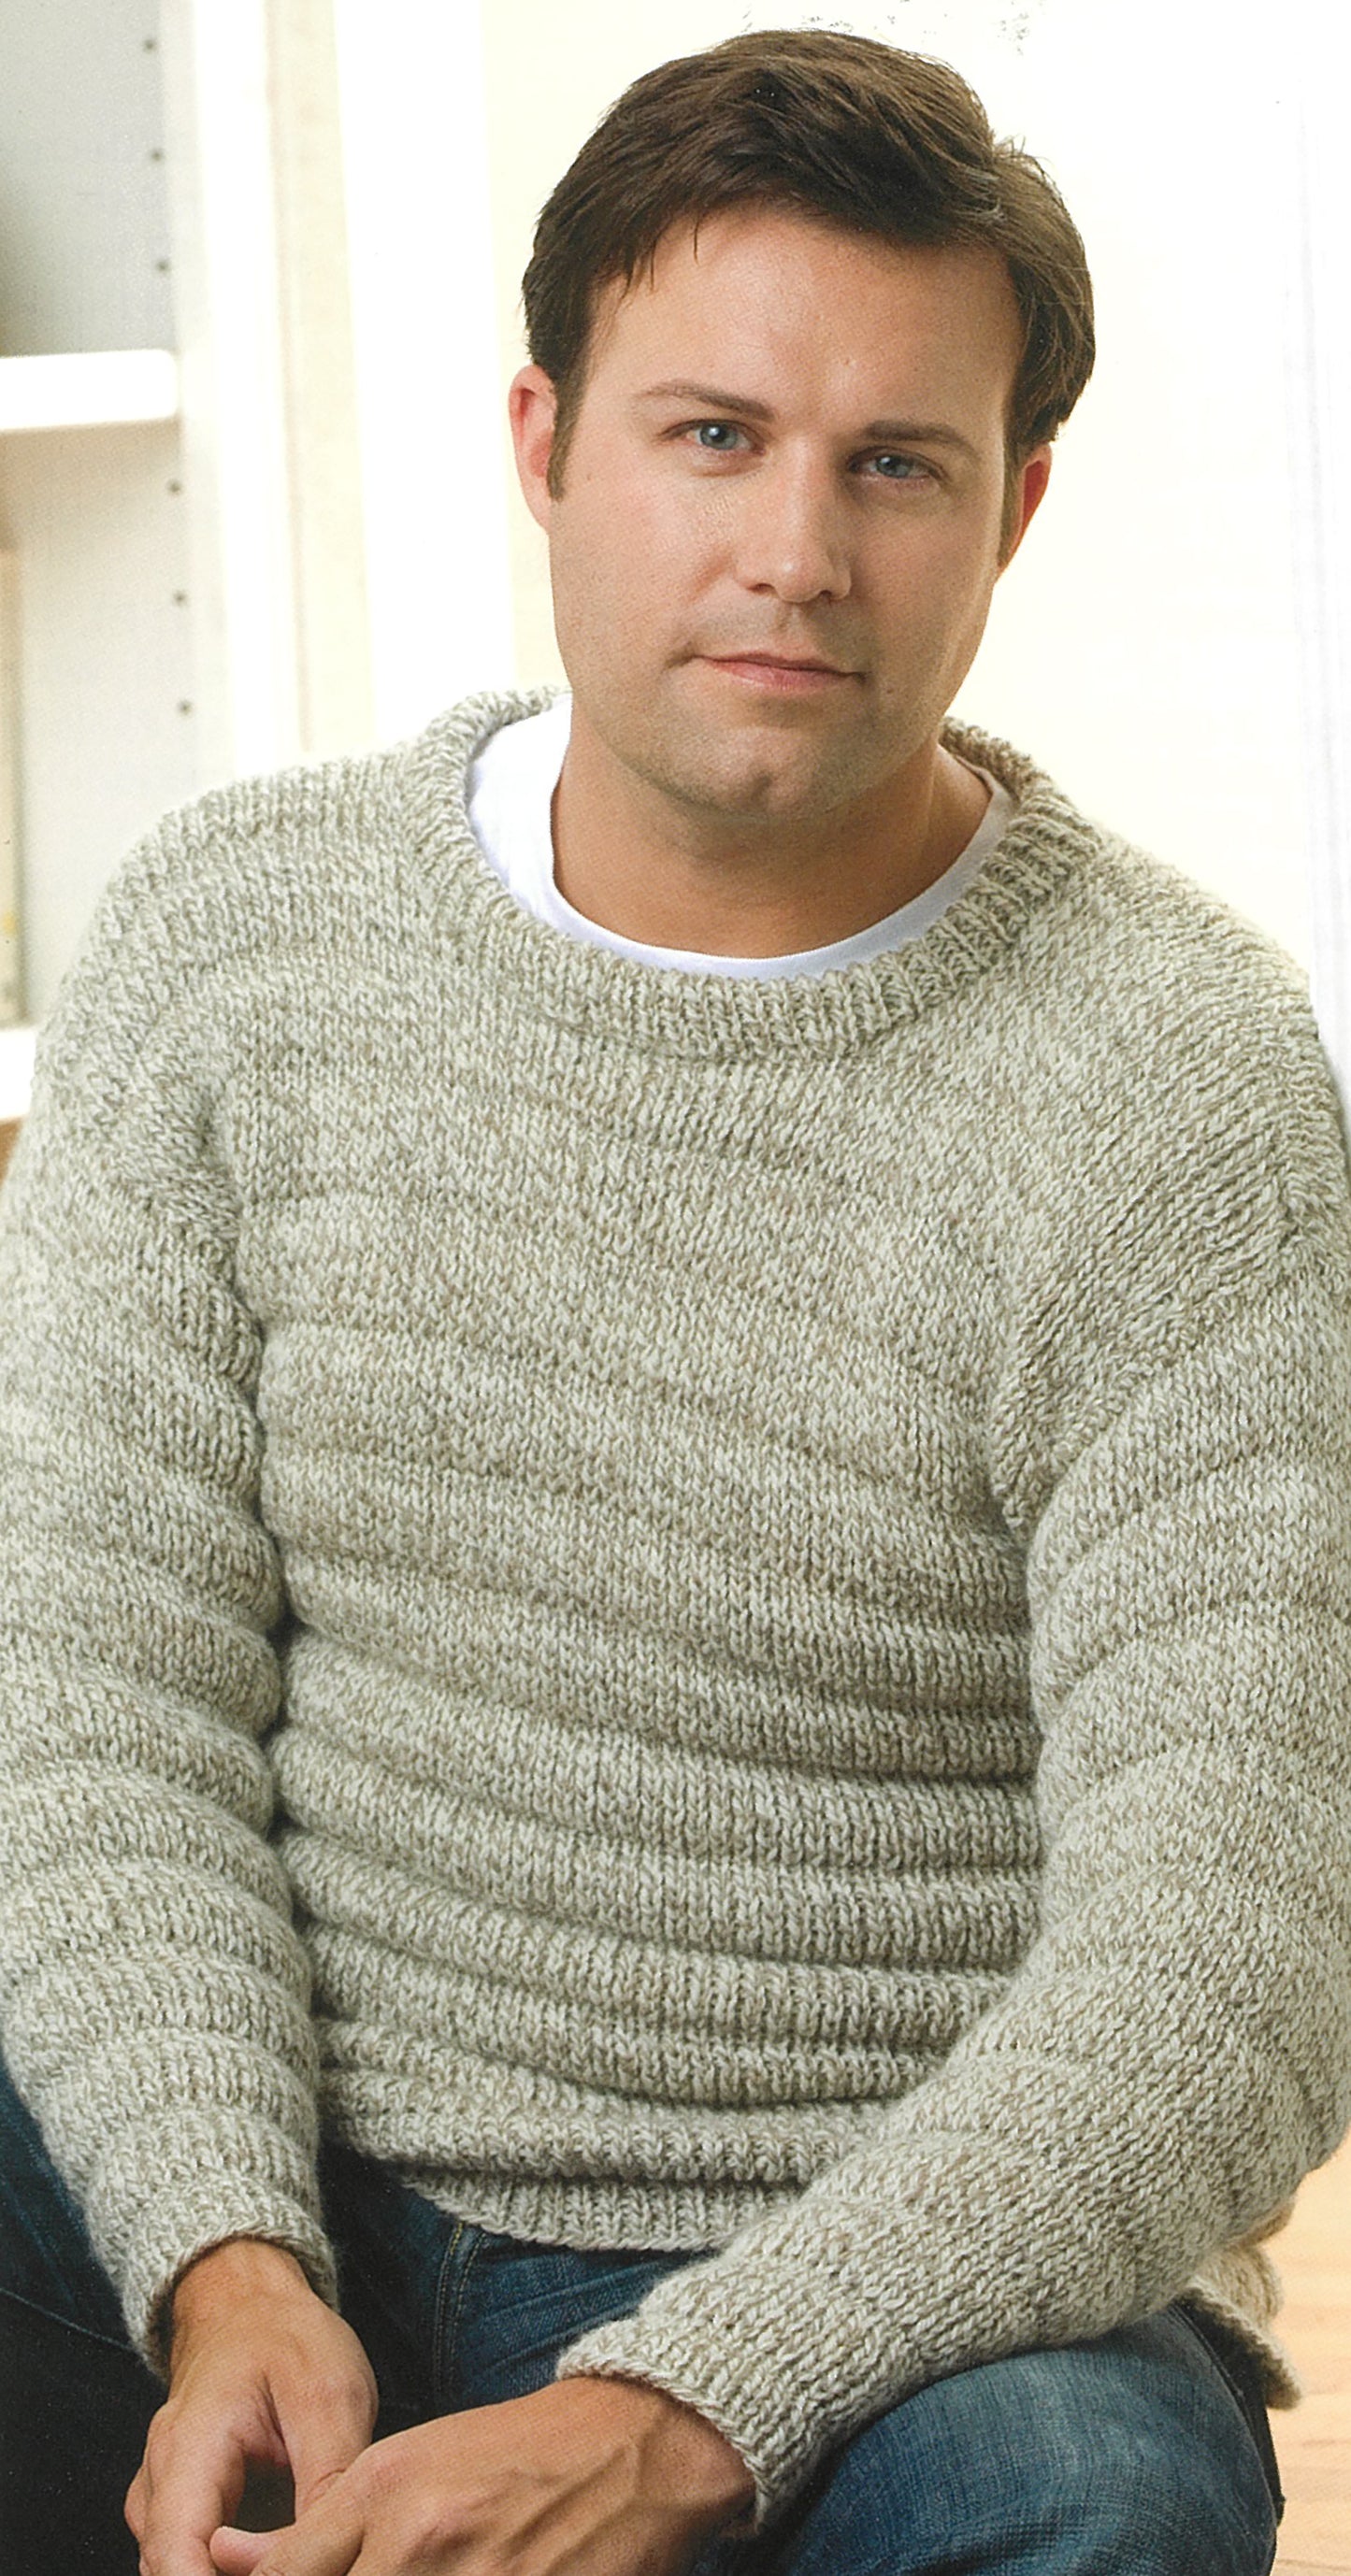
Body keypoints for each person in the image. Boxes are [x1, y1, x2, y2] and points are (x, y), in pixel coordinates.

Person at [0, 25, 1346, 2576]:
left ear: (1014, 510)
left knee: (1088, 2513)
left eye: (896, 464)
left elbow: (1240, 1942)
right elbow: (92, 1699)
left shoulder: (1176, 1075)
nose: (798, 552)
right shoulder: (240, 945)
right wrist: (216, 2247)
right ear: (546, 447)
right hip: (293, 2170)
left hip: (897, 2281)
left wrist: (676, 2401)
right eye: (711, 435)